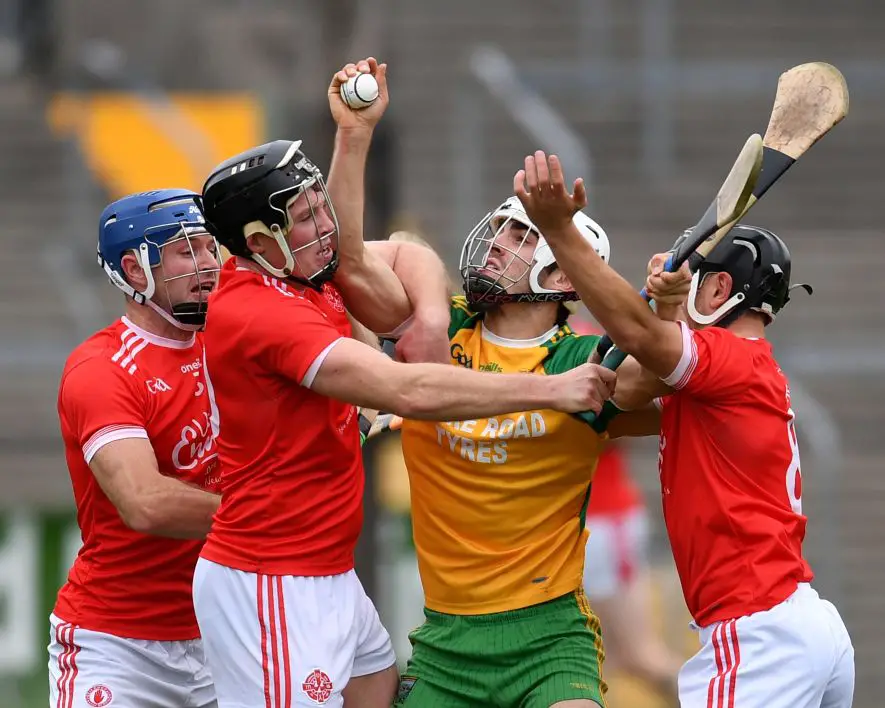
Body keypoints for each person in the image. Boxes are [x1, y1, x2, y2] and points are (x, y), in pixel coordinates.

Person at [191, 59, 616, 708]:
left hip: (335, 574)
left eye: (320, 206)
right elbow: (406, 391)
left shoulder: (300, 272)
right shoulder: (263, 314)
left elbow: (394, 251)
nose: (325, 226)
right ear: (259, 240)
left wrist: (426, 317)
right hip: (273, 577)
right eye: (305, 217)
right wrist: (551, 392)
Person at [513, 150, 855, 708]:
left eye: (697, 283)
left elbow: (637, 336)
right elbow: (627, 386)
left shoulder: (727, 360)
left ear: (719, 290)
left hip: (757, 634)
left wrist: (558, 231)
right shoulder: (734, 372)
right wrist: (668, 306)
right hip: (797, 620)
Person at [50, 189, 223, 708]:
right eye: (187, 251)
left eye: (210, 247)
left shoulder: (232, 344)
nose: (209, 264)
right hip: (119, 643)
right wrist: (273, 515)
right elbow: (145, 504)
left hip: (224, 629)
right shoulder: (101, 369)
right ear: (135, 269)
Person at [570, 319, 683, 705]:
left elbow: (623, 414)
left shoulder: (582, 341)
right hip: (584, 522)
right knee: (607, 661)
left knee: (640, 655)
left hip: (604, 520)